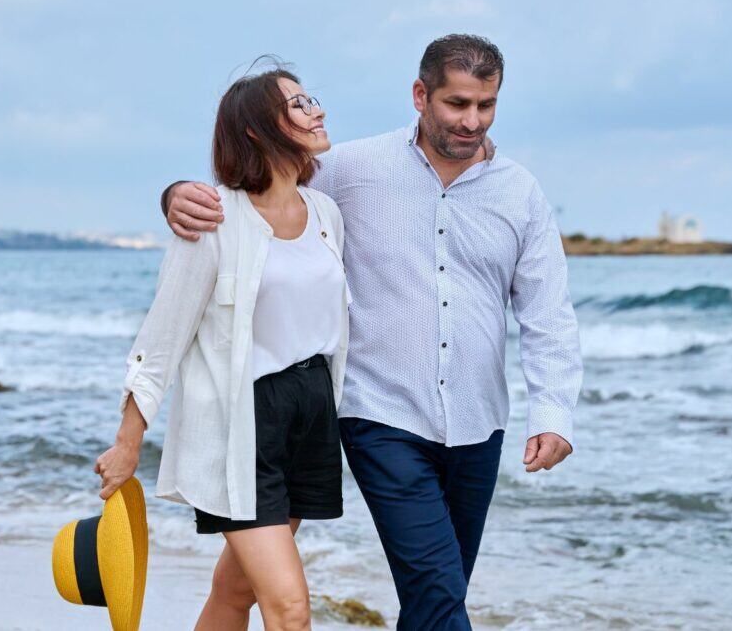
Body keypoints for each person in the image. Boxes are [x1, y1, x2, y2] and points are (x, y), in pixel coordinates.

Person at [162, 34, 583, 630]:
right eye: (456, 104)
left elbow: (547, 314)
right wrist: (175, 196)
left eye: (485, 106)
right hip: (379, 417)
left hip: (478, 423)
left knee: (437, 591)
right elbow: (258, 189)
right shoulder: (352, 170)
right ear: (420, 95)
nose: (472, 121)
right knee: (438, 591)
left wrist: (553, 412)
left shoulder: (521, 193)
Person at [94, 62, 351, 631]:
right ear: (258, 129)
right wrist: (128, 443)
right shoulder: (214, 218)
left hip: (311, 415)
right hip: (243, 424)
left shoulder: (327, 213)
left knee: (236, 594)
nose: (318, 111)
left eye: (313, 99)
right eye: (299, 104)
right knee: (289, 608)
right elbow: (161, 339)